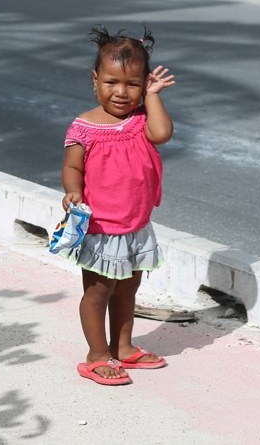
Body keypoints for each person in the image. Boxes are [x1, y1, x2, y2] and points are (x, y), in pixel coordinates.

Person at [60, 24, 176, 386]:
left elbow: (163, 134)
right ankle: (96, 356)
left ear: (144, 84)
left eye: (133, 84)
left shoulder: (142, 119)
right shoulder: (84, 127)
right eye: (111, 82)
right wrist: (72, 191)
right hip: (102, 227)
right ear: (95, 80)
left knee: (128, 288)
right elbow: (72, 166)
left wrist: (154, 96)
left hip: (136, 225)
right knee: (98, 292)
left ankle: (123, 346)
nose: (122, 93)